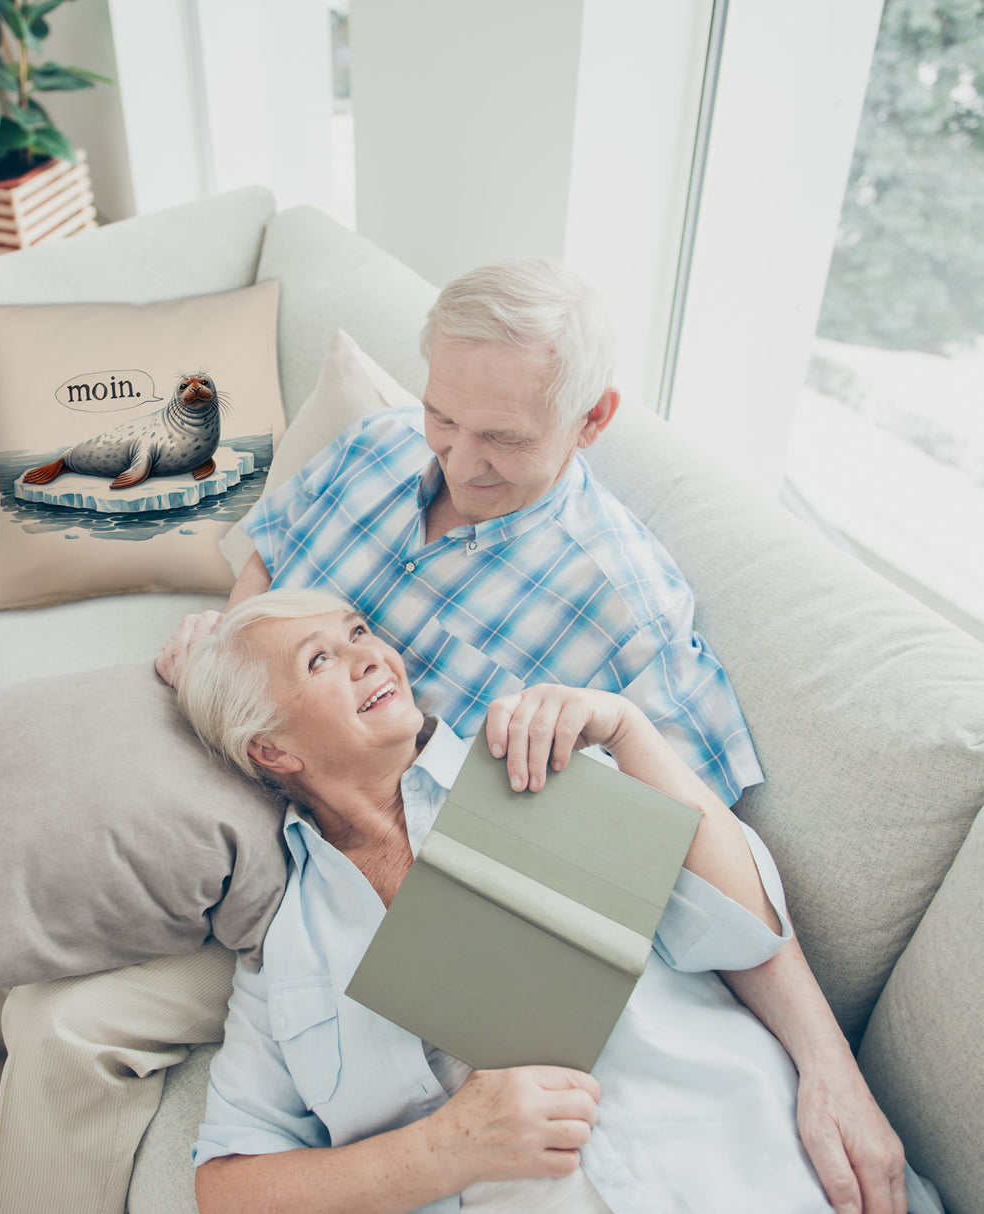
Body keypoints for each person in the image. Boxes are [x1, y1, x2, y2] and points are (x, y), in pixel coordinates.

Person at [159, 259, 906, 1213]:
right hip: (263, 832)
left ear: (592, 420)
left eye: (502, 438)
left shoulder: (602, 657)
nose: (459, 463)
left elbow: (714, 885)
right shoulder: (377, 451)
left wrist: (828, 1069)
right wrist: (232, 658)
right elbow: (268, 558)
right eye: (444, 418)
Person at [178, 588, 928, 1214]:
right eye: (320, 659)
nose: (371, 655)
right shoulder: (287, 952)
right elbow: (227, 1186)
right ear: (272, 751)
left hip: (758, 1166)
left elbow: (743, 929)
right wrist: (442, 1150)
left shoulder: (533, 762)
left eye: (359, 632)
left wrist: (629, 731)